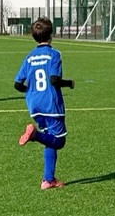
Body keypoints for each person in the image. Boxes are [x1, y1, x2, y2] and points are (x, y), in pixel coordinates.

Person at [15, 17, 74, 190]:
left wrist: (31, 91)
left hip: (34, 105)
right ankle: (35, 135)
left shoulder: (29, 57)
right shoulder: (54, 54)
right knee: (59, 141)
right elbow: (54, 80)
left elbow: (17, 84)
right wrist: (69, 83)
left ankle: (48, 180)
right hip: (51, 104)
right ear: (51, 35)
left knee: (50, 139)